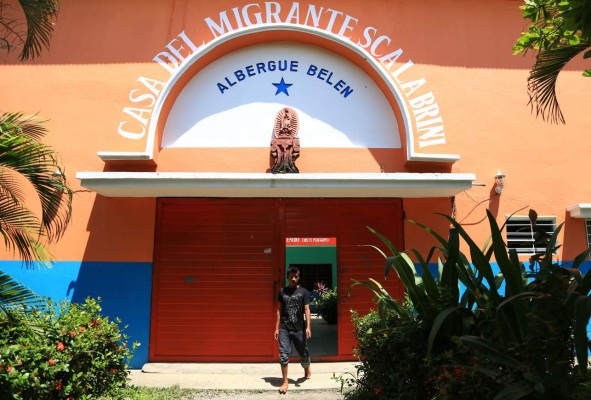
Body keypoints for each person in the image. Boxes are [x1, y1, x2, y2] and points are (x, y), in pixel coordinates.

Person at [274, 266, 312, 394]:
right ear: (287, 277)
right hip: (285, 328)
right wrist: (277, 328)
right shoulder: (282, 292)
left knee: (304, 355)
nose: (294, 279)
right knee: (283, 355)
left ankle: (306, 367)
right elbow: (279, 310)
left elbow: (307, 309)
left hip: (299, 329)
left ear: (298, 277)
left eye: (296, 276)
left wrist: (308, 327)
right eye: (291, 276)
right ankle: (285, 382)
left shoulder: (304, 292)